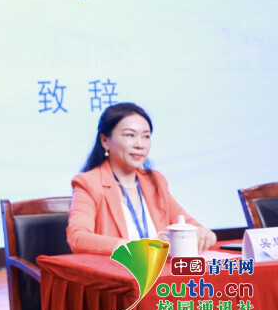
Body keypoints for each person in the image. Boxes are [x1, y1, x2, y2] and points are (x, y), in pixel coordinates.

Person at [66, 102, 216, 255]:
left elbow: (186, 222)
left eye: (146, 136)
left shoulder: (154, 181)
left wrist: (201, 232)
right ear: (105, 141)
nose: (140, 145)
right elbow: (78, 238)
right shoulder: (89, 183)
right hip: (117, 267)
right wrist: (134, 247)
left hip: (158, 267)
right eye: (130, 135)